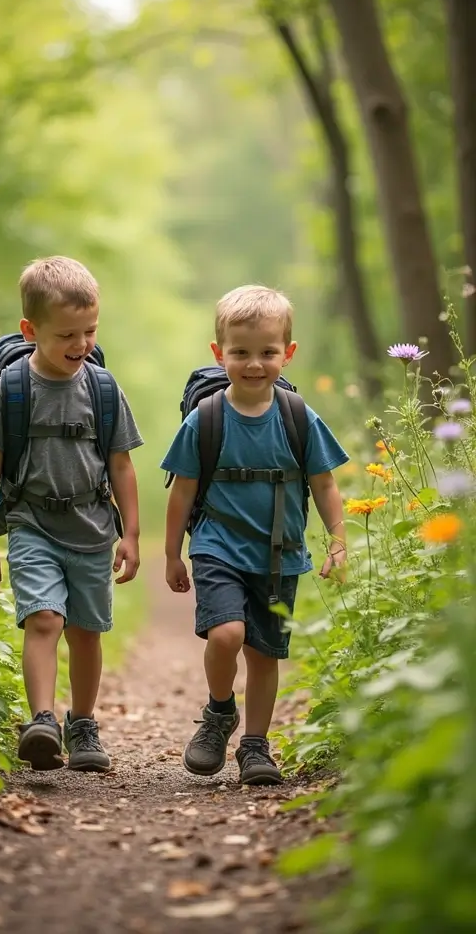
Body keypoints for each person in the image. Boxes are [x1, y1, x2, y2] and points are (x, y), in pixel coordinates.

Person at [161, 284, 348, 785]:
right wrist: (173, 554)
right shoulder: (207, 418)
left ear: (287, 353)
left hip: (277, 554)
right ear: (218, 352)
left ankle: (255, 747)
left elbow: (325, 483)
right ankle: (220, 711)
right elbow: (181, 492)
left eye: (267, 352)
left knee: (265, 655)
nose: (253, 364)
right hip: (217, 544)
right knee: (227, 634)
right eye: (240, 352)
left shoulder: (297, 417)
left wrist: (338, 540)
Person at [0, 256, 142, 772]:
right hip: (32, 525)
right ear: (30, 330)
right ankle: (43, 720)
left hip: (91, 529)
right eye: (67, 334)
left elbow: (121, 465)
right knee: (44, 620)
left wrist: (131, 533)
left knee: (86, 632)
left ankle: (83, 723)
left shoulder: (103, 388)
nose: (81, 344)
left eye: (89, 331)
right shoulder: (12, 390)